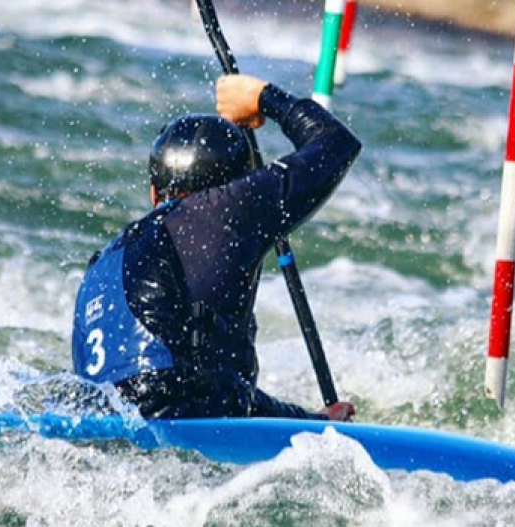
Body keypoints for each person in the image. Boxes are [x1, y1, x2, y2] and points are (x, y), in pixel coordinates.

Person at [71, 74, 360, 421]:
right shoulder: (222, 211)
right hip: (178, 432)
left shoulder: (106, 261)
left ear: (153, 193)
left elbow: (204, 388)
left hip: (104, 429)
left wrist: (313, 421)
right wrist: (263, 97)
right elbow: (334, 144)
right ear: (242, 186)